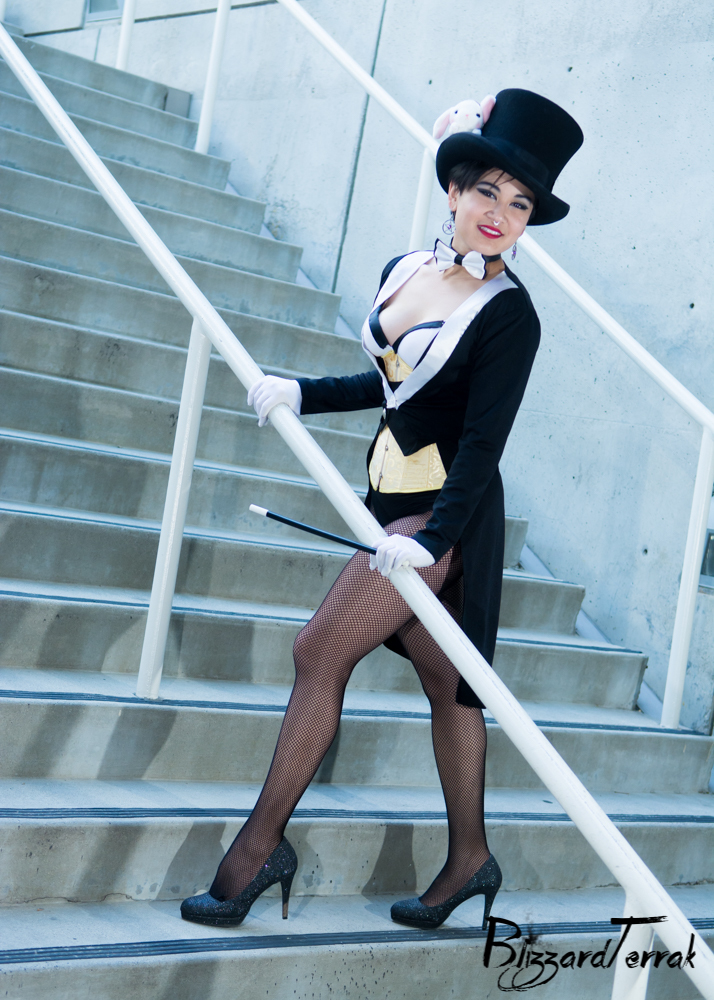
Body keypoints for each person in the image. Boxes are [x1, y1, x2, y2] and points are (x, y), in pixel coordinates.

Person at [181, 88, 583, 931]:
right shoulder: (405, 270)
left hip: (444, 515)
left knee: (318, 649)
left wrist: (434, 539)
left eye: (520, 205)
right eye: (487, 191)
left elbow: (483, 443)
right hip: (387, 500)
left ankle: (256, 852)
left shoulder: (511, 315)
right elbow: (393, 383)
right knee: (449, 687)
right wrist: (303, 391)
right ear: (454, 189)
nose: (499, 215)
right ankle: (471, 860)